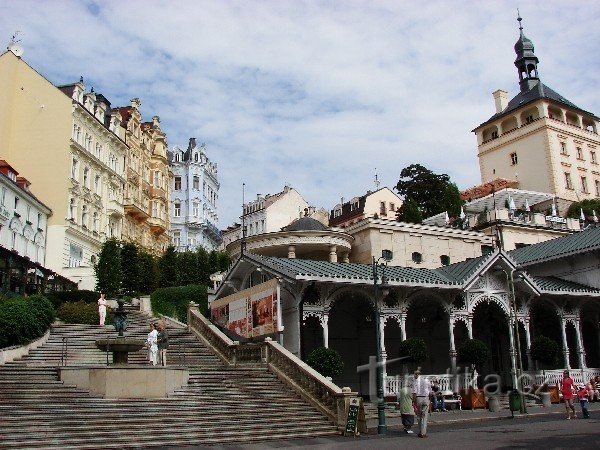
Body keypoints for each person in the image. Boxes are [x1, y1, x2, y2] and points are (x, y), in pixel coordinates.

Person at [412, 369, 431, 438]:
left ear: (417, 374)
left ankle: (421, 432)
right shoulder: (426, 380)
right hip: (426, 398)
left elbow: (414, 392)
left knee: (419, 416)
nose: (415, 375)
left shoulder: (415, 381)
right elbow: (430, 391)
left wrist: (413, 402)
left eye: (415, 374)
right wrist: (429, 400)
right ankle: (423, 432)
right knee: (424, 416)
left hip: (419, 398)